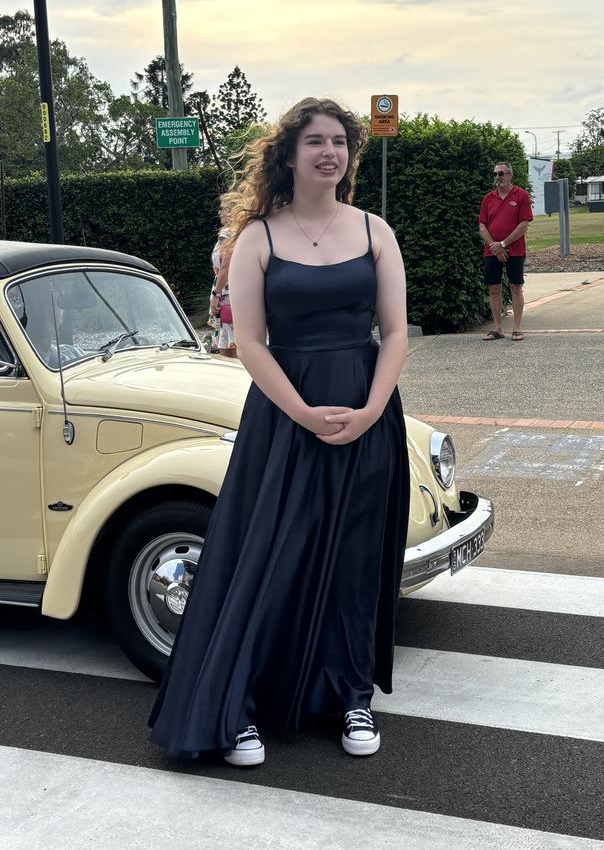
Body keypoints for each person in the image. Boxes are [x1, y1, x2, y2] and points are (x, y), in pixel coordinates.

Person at [149, 97, 410, 766]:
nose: (331, 151)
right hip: (283, 422)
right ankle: (239, 709)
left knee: (354, 563)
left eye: (340, 142)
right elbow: (251, 343)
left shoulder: (376, 231)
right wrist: (302, 413)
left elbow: (396, 332)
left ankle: (351, 695)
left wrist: (373, 410)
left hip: (366, 416)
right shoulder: (257, 239)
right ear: (289, 154)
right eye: (316, 141)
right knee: (268, 558)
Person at [478, 161, 533, 341]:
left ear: (510, 175)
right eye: (495, 174)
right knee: (494, 288)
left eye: (501, 174)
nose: (497, 178)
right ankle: (498, 328)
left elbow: (523, 225)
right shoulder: (488, 198)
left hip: (515, 250)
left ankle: (517, 328)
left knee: (515, 287)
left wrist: (503, 243)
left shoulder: (521, 195)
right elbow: (482, 226)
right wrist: (495, 245)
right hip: (492, 251)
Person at [208, 199, 236, 356]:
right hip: (239, 290)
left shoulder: (227, 235)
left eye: (223, 209)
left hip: (226, 293)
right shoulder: (244, 232)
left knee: (227, 347)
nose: (220, 213)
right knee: (237, 339)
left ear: (232, 212)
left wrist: (216, 294)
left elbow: (226, 266)